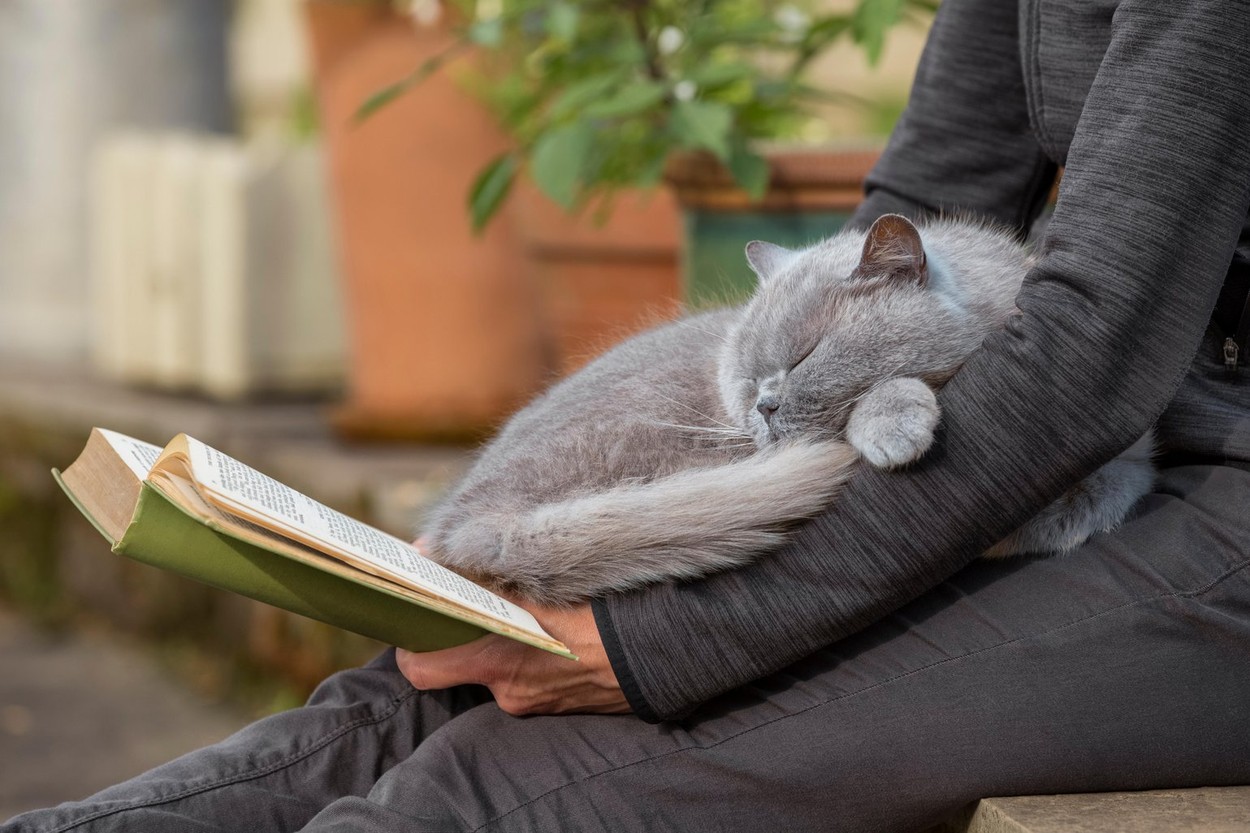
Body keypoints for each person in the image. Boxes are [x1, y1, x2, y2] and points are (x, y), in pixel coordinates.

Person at [8, 0, 1250, 830]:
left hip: (1212, 511)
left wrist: (673, 638)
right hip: (1077, 448)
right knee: (415, 693)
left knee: (503, 789)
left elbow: (1089, 348)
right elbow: (915, 211)